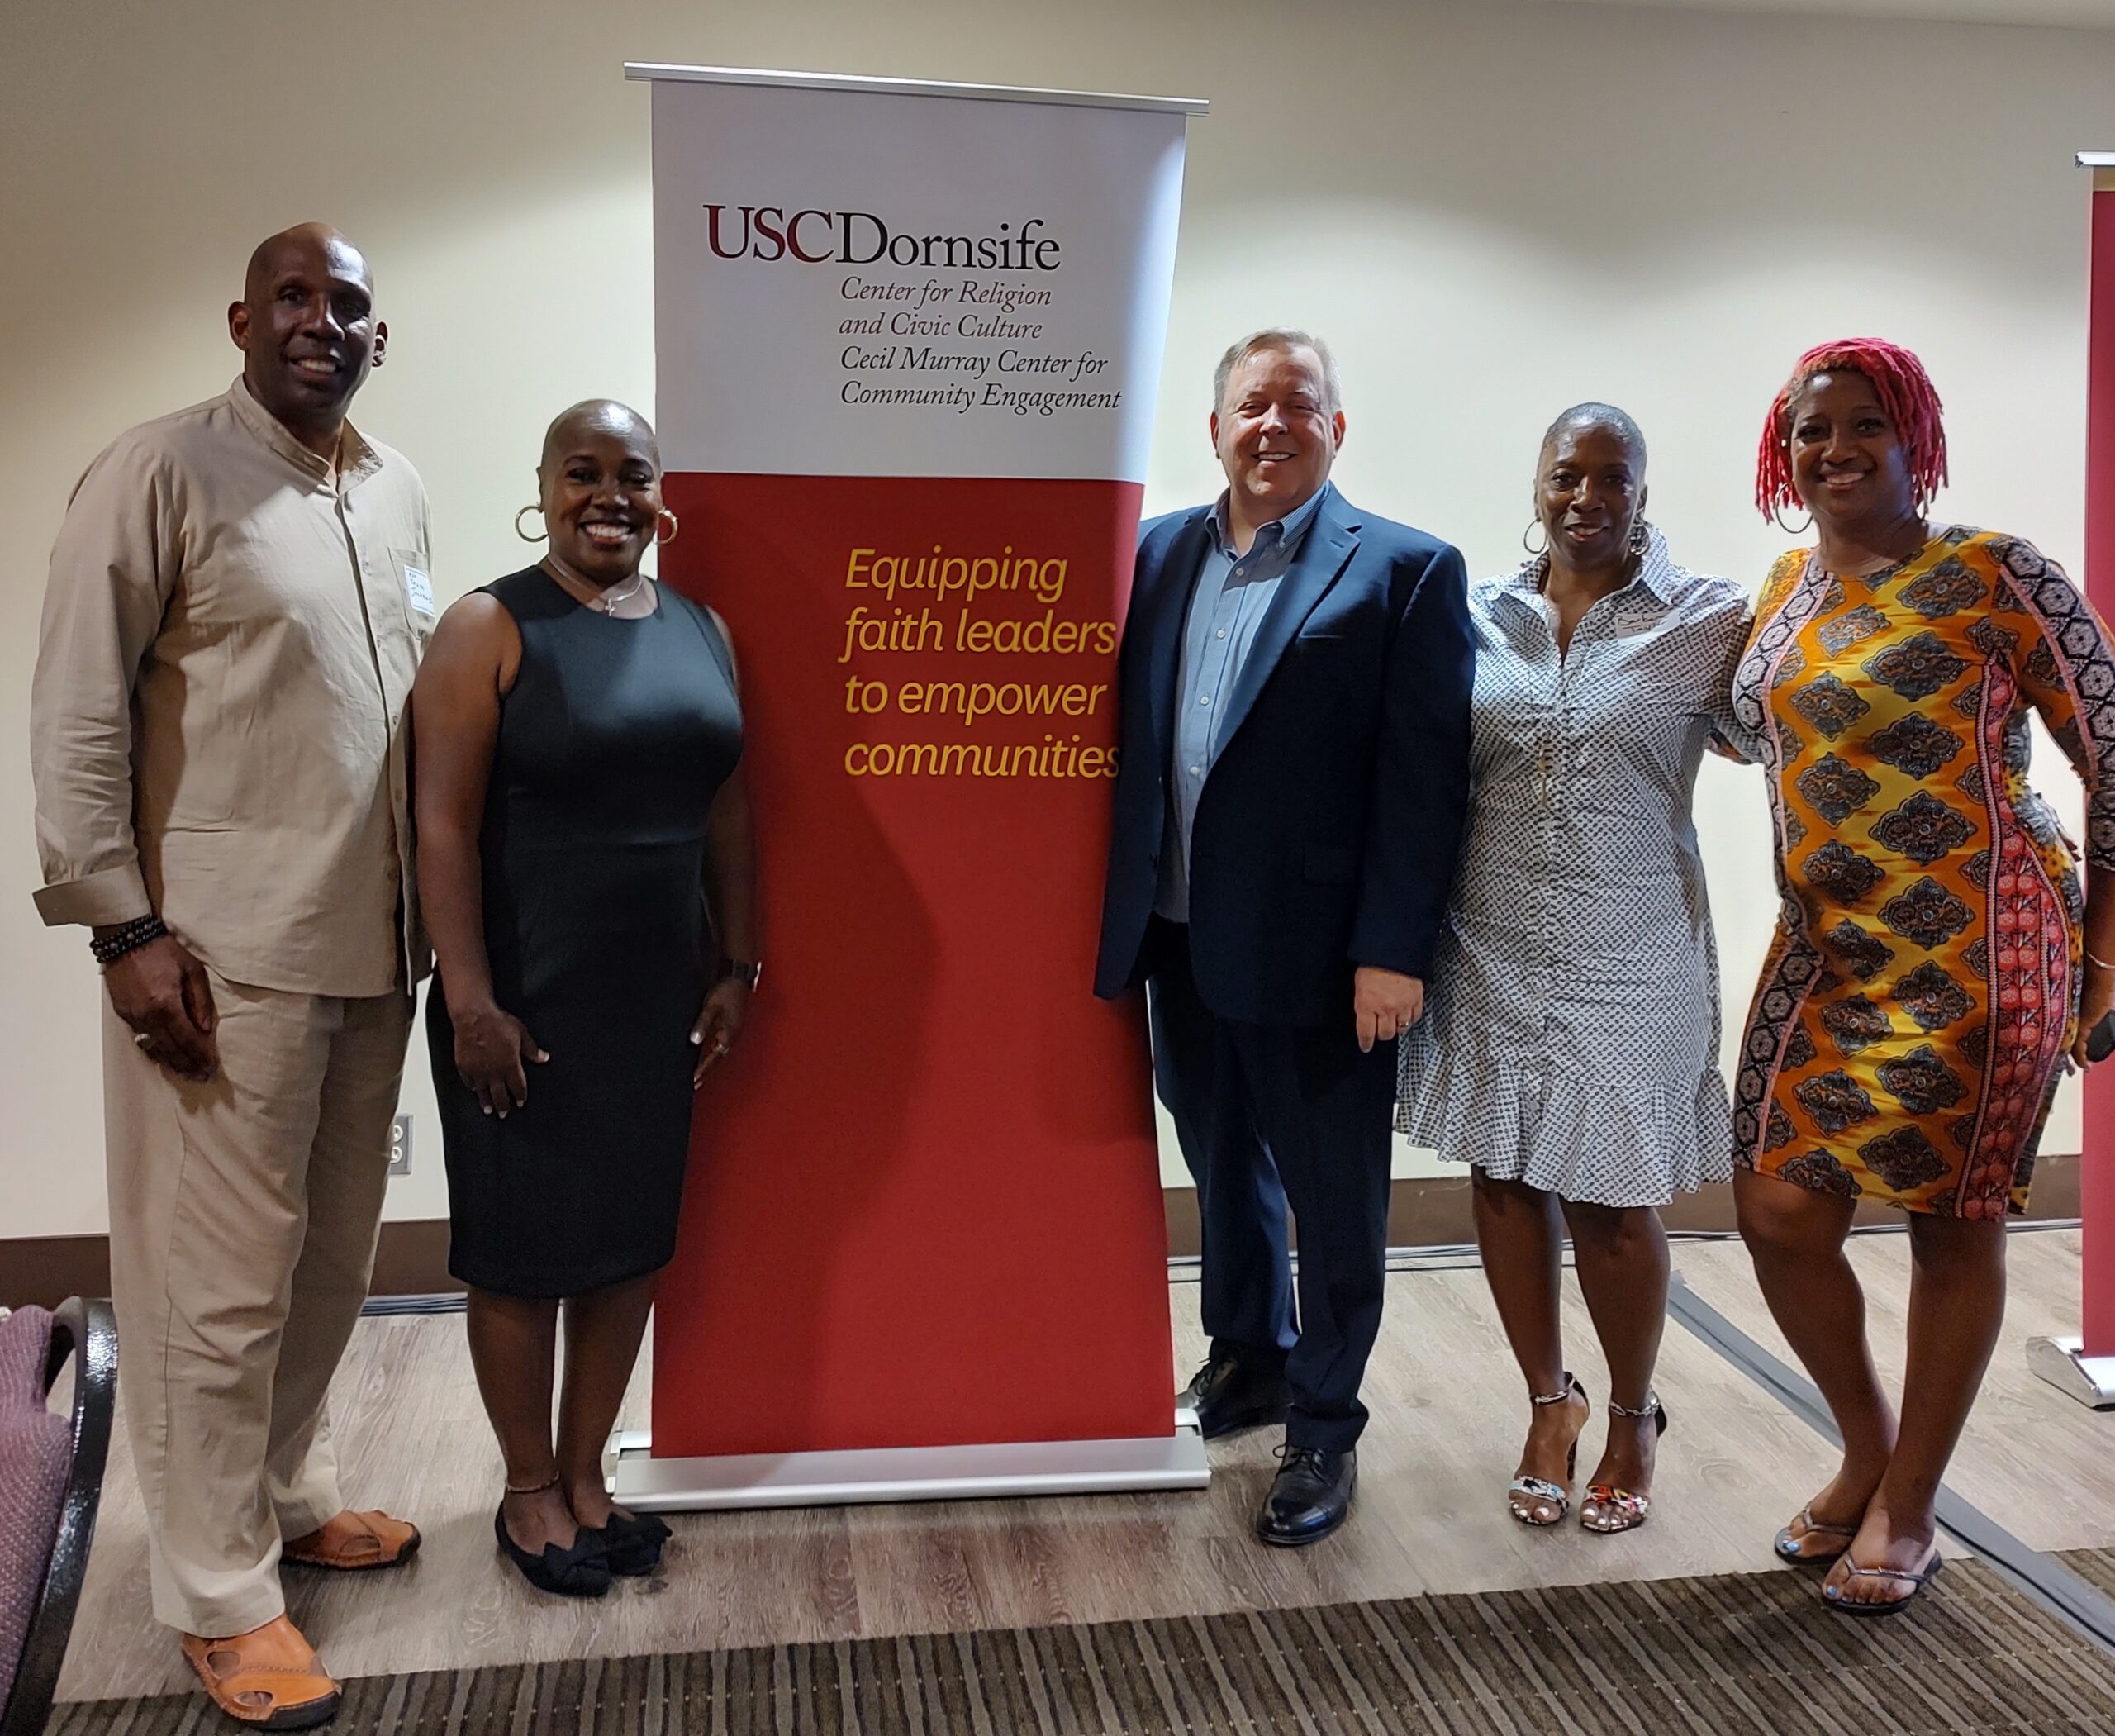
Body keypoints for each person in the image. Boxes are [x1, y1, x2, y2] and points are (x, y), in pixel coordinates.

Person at [29, 225, 428, 1728]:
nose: (323, 322)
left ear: (378, 338)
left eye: (351, 305)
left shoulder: (392, 489)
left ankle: (282, 1488)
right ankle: (217, 1596)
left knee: (330, 1257)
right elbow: (74, 711)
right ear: (245, 319)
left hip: (375, 950)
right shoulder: (157, 472)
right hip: (215, 959)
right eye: (296, 298)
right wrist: (123, 931)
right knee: (216, 1285)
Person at [1731, 338, 2115, 1614]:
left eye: (1863, 429)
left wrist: (2107, 948)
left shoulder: (1998, 575)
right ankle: (1866, 1443)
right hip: (1826, 952)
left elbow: (2114, 747)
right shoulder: (1784, 588)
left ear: (1916, 443)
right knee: (1778, 1210)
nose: (1833, 452)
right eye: (1809, 434)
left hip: (1980, 951)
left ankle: (1909, 1501)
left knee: (1957, 1222)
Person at [1096, 328, 1473, 1547]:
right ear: (1215, 429)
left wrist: (1393, 948)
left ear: (1335, 429)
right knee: (1223, 1163)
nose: (1273, 425)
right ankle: (1249, 1356)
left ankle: (1323, 1423)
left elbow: (1424, 782)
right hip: (1181, 932)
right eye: (1251, 406)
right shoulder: (1156, 554)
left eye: (1298, 406)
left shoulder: (1405, 570)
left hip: (1324, 955)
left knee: (1335, 1191)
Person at [412, 400, 757, 1597]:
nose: (609, 495)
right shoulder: (488, 625)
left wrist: (739, 963)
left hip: (650, 1003)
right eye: (583, 473)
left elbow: (726, 808)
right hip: (521, 1002)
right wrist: (470, 1004)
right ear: (545, 487)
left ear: (663, 497)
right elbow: (440, 827)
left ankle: (586, 1473)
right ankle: (523, 1491)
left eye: (633, 475)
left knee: (626, 1251)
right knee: (519, 1256)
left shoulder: (703, 629)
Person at [1398, 404, 1749, 1534]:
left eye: (1615, 478)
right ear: (1537, 482)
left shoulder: (1710, 621)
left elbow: (1787, 730)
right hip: (1489, 936)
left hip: (1631, 949)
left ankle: (1636, 1410)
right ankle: (1551, 1402)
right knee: (1503, 1177)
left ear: (1645, 491)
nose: (1588, 496)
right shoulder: (1477, 615)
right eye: (1568, 474)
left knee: (1609, 1200)